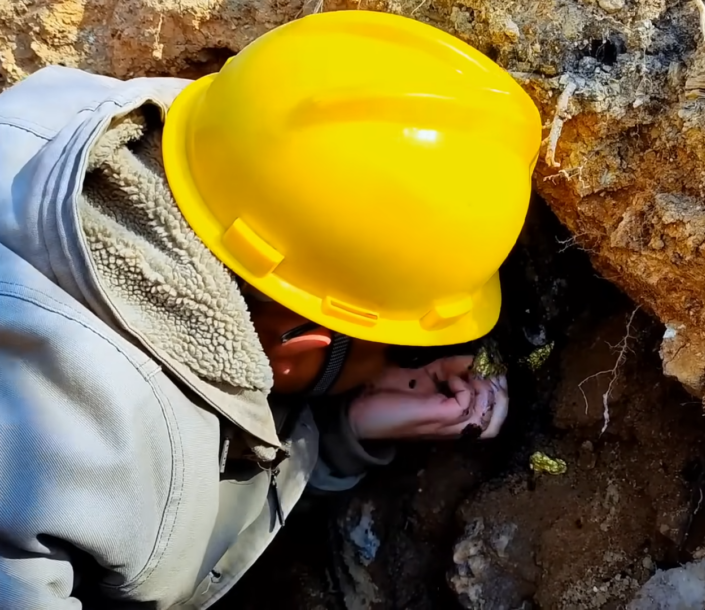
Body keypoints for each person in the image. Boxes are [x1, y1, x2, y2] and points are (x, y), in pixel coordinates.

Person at [0, 9, 541, 609]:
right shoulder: (75, 465)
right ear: (302, 345)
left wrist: (341, 432)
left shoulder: (79, 115)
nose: (400, 359)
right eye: (394, 341)